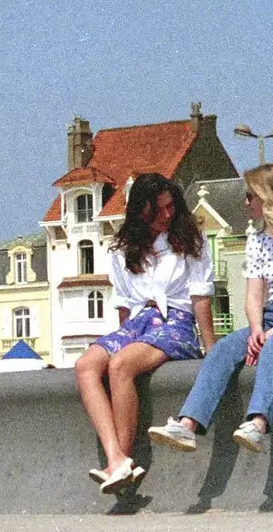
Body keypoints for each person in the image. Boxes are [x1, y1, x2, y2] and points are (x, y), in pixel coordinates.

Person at [149, 164, 273, 456]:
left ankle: (258, 424)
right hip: (270, 316)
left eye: (251, 196)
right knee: (224, 349)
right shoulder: (258, 240)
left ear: (270, 197)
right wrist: (257, 329)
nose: (246, 202)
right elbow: (253, 295)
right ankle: (188, 425)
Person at [73, 173, 216, 493]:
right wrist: (121, 340)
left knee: (122, 365)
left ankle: (121, 460)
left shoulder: (191, 241)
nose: (169, 215)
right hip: (138, 322)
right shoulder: (122, 249)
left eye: (171, 207)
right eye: (160, 209)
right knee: (85, 366)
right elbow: (124, 307)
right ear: (142, 210)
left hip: (175, 322)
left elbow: (200, 297)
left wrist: (211, 347)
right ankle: (117, 458)